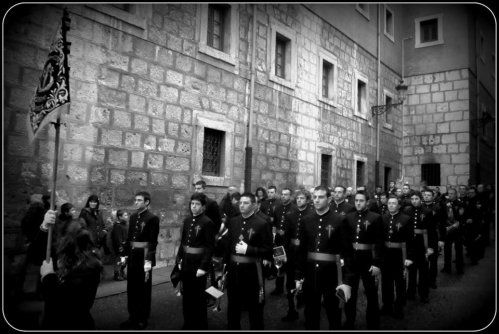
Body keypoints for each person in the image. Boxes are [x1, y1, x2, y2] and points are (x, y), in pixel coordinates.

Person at [295, 185, 353, 330]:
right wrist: (298, 275)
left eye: (320, 197)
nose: (316, 200)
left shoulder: (339, 220)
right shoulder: (306, 220)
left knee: (334, 314)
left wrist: (346, 280)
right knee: (310, 314)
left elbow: (347, 252)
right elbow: (302, 250)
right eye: (314, 197)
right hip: (310, 275)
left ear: (329, 199)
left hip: (332, 275)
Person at [39, 211, 103, 329]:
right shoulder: (68, 256)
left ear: (66, 241)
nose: (58, 241)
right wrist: (44, 225)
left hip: (72, 324)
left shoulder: (89, 267)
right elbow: (42, 250)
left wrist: (48, 276)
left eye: (60, 238)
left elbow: (63, 303)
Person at [223, 192, 272, 329]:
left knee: (254, 308)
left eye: (246, 203)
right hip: (234, 271)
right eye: (240, 203)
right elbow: (228, 246)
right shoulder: (233, 221)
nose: (242, 205)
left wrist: (249, 250)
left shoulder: (262, 223)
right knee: (233, 306)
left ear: (254, 205)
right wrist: (225, 268)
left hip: (252, 272)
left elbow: (268, 250)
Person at [175, 193, 216, 330]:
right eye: (192, 204)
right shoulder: (187, 221)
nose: (194, 207)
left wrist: (203, 267)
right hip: (186, 262)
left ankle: (200, 325)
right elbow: (183, 243)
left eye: (197, 204)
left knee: (198, 297)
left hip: (198, 265)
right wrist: (179, 259)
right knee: (187, 295)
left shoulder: (207, 222)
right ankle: (188, 323)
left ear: (203, 207)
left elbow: (209, 247)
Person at [344, 191, 383, 329]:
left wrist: (377, 263)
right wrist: (345, 259)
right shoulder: (348, 217)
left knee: (371, 294)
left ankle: (373, 323)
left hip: (368, 261)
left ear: (367, 202)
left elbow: (379, 242)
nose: (358, 203)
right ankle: (349, 321)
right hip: (351, 261)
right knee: (349, 293)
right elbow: (346, 241)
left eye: (361, 200)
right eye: (356, 200)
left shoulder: (376, 217)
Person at [120, 191, 160, 330]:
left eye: (139, 200)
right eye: (135, 200)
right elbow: (129, 239)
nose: (136, 202)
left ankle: (142, 317)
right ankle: (132, 316)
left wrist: (148, 261)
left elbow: (153, 242)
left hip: (144, 257)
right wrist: (124, 256)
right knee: (132, 287)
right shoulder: (132, 217)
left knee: (143, 288)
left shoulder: (152, 218)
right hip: (132, 256)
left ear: (146, 202)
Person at [282, 188, 313, 321]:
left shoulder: (312, 214)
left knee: (305, 283)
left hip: (306, 254)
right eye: (298, 198)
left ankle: (308, 312)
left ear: (307, 200)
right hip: (291, 253)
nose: (299, 200)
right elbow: (285, 237)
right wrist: (281, 254)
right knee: (289, 283)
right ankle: (291, 310)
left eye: (302, 198)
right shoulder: (290, 215)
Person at [380, 196, 411, 319]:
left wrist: (409, 257)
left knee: (399, 283)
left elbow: (410, 240)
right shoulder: (382, 218)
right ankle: (387, 305)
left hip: (399, 255)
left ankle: (399, 307)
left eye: (394, 203)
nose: (391, 205)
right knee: (386, 282)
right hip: (386, 254)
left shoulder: (406, 219)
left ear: (399, 206)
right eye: (389, 203)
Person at [403, 191, 437, 303]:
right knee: (411, 270)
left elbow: (432, 231)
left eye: (416, 199)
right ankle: (411, 292)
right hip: (411, 245)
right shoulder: (407, 211)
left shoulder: (427, 211)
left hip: (423, 244)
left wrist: (431, 247)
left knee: (423, 271)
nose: (414, 201)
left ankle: (423, 293)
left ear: (420, 199)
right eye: (412, 199)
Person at [271, 187, 296, 296]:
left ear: (290, 196)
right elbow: (275, 224)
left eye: (286, 194)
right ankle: (278, 288)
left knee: (290, 267)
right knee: (279, 265)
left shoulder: (295, 209)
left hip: (289, 243)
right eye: (282, 194)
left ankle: (290, 288)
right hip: (279, 242)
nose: (283, 196)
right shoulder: (277, 208)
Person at [440, 188, 466, 275]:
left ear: (456, 194)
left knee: (458, 250)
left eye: (452, 193)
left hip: (457, 230)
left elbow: (462, 217)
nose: (450, 195)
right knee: (447, 250)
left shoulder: (460, 204)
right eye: (449, 193)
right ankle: (447, 267)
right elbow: (443, 217)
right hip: (448, 230)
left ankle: (459, 268)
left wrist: (458, 224)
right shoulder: (445, 204)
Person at [111, 210, 129, 281]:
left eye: (127, 215)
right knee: (119, 260)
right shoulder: (118, 226)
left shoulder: (125, 224)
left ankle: (122, 272)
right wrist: (120, 246)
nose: (127, 216)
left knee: (124, 260)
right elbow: (118, 238)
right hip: (121, 246)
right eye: (125, 215)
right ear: (120, 217)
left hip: (126, 246)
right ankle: (117, 274)